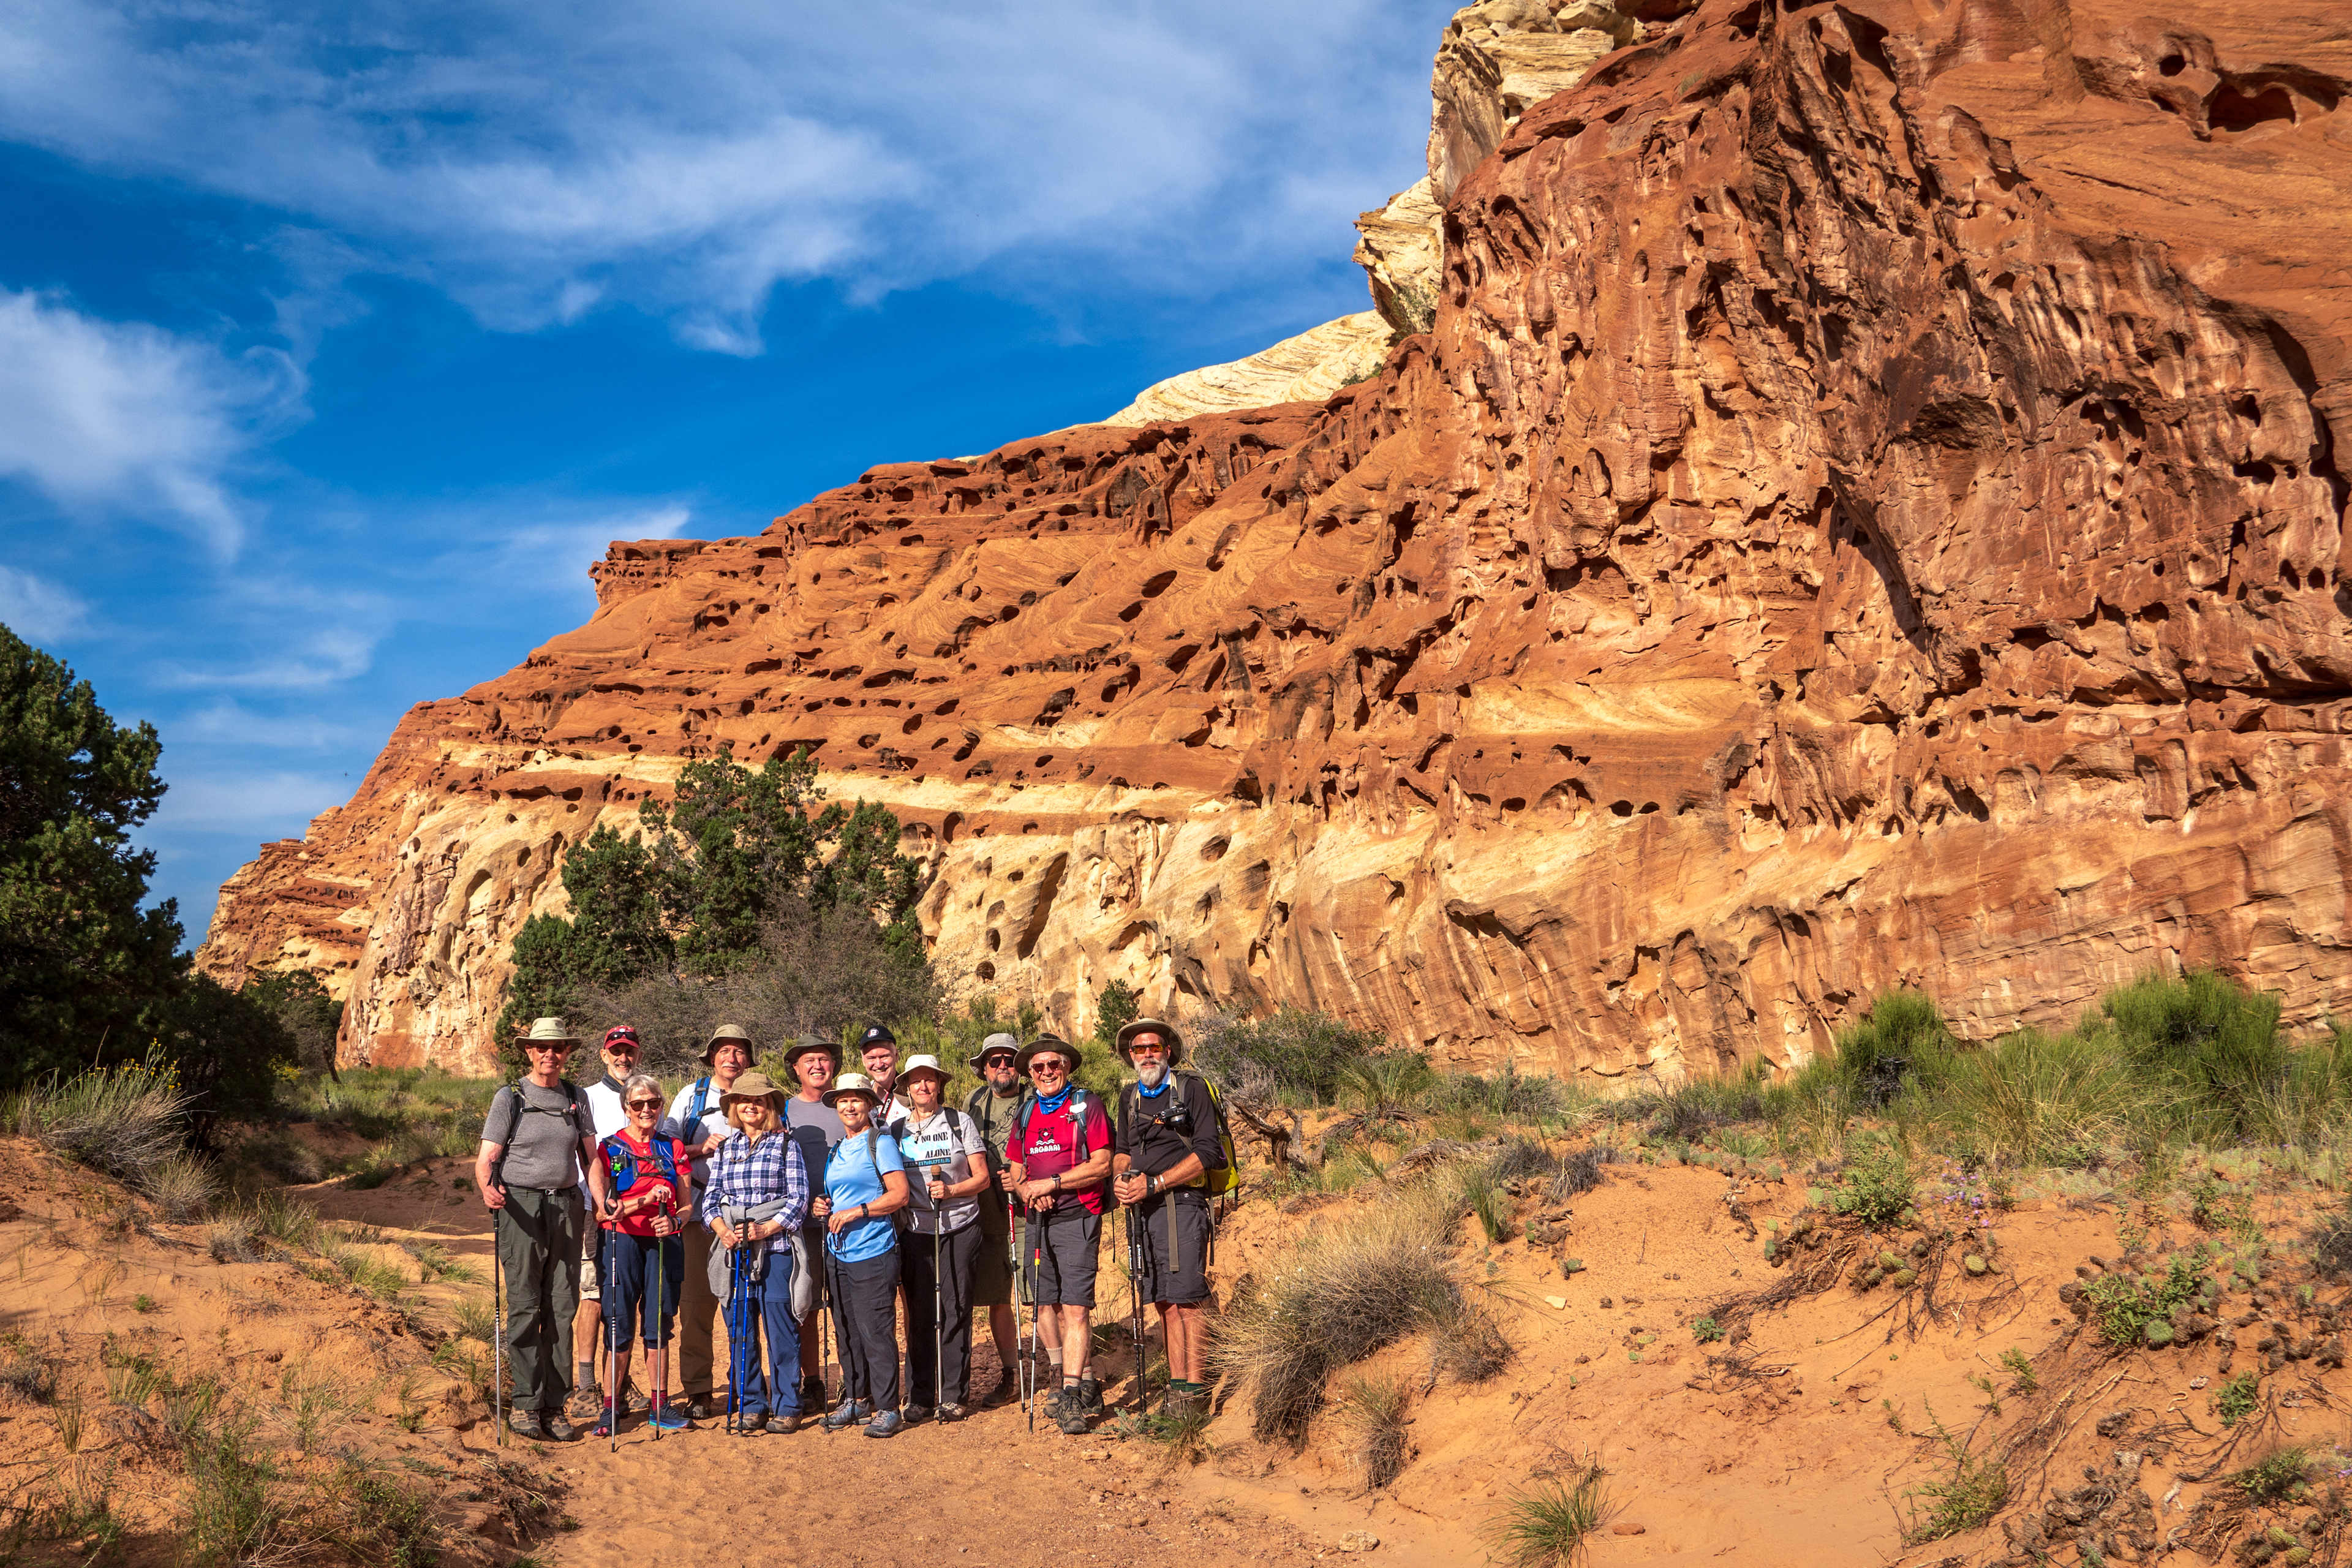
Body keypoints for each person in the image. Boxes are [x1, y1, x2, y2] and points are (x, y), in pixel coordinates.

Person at [475, 1017, 601, 1442]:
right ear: (529, 1051)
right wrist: (487, 1188)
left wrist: (601, 1201)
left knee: (562, 1305)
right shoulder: (510, 1096)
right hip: (521, 1205)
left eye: (558, 1048)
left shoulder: (576, 1097)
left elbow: (590, 1158)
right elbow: (488, 1157)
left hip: (566, 1205)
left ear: (567, 1053)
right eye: (542, 1047)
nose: (550, 1054)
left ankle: (554, 1404)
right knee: (526, 1303)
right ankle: (526, 1403)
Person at [1110, 1018, 1223, 1415]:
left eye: (1154, 1047)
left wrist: (1155, 1184)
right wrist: (1120, 1178)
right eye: (1139, 1049)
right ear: (1131, 1056)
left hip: (1181, 1205)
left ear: (1168, 1051)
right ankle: (1178, 1391)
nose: (1147, 1055)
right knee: (1163, 1302)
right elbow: (1122, 1150)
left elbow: (1208, 1152)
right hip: (1143, 1212)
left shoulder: (1191, 1088)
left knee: (1187, 1300)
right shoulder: (1129, 1097)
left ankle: (1196, 1392)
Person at [1005, 1035, 1113, 1434]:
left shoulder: (1087, 1105)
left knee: (1076, 1308)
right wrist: (1029, 1192)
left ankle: (1070, 1395)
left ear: (1067, 1066)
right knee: (1045, 1301)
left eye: (1055, 1064)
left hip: (1078, 1216)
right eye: (1039, 1067)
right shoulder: (1026, 1112)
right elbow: (1016, 1168)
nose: (1047, 1072)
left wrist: (1052, 1183)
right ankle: (1077, 1379)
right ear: (1030, 1073)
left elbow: (1101, 1164)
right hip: (1038, 1219)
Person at [702, 1070, 810, 1434]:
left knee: (781, 1329)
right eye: (745, 1101)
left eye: (759, 1101)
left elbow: (798, 1200)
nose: (752, 1107)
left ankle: (787, 1405)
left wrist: (764, 1229)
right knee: (740, 1329)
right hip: (734, 1252)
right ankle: (751, 1404)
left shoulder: (786, 1145)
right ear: (734, 1107)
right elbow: (710, 1201)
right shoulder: (726, 1149)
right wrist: (723, 1230)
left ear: (770, 1107)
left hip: (776, 1250)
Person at [587, 1073, 693, 1436]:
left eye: (654, 1103)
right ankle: (610, 1408)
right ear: (626, 1108)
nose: (646, 1110)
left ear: (661, 1106)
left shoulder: (673, 1147)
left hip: (664, 1243)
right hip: (622, 1242)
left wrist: (675, 1220)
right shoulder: (610, 1148)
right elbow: (604, 1212)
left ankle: (659, 1406)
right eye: (638, 1104)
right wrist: (644, 1200)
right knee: (619, 1324)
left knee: (659, 1324)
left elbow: (687, 1205)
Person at [891, 1054, 990, 1422]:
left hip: (959, 1226)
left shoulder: (959, 1122)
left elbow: (982, 1178)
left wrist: (952, 1191)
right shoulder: (896, 1131)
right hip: (916, 1230)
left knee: (954, 1308)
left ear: (939, 1085)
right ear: (906, 1087)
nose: (923, 1086)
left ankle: (953, 1395)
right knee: (919, 1313)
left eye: (929, 1079)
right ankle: (920, 1396)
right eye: (916, 1080)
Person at [811, 1072, 911, 1438]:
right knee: (847, 1329)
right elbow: (837, 1195)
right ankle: (857, 1399)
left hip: (873, 1249)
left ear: (869, 1104)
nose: (850, 1106)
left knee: (875, 1330)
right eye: (843, 1101)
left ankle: (888, 1407)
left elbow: (899, 1194)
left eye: (856, 1099)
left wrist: (858, 1212)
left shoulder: (879, 1143)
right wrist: (823, 1205)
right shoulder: (838, 1148)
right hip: (838, 1252)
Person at [661, 1023, 753, 1419]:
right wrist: (700, 1148)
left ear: (748, 1059)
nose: (732, 1058)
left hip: (746, 1220)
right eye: (724, 1051)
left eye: (739, 1051)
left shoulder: (760, 1095)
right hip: (699, 1216)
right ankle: (698, 1390)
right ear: (712, 1057)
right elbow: (665, 1148)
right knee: (697, 1307)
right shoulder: (691, 1096)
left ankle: (745, 1386)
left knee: (744, 1307)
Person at [570, 1023, 641, 1422]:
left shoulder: (644, 1095)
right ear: (603, 1055)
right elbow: (581, 1155)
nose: (623, 1058)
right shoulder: (588, 1098)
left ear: (638, 1054)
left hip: (635, 1212)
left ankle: (617, 1382)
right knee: (593, 1295)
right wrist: (598, 1201)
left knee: (625, 1296)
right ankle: (585, 1387)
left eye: (629, 1051)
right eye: (616, 1051)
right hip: (593, 1210)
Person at [961, 1032, 1027, 1405]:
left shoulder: (1035, 1099)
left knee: (1043, 1295)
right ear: (984, 1069)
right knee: (998, 1297)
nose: (1003, 1067)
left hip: (1028, 1210)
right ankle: (1011, 1374)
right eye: (995, 1061)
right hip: (987, 1213)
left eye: (1009, 1060)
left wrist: (1022, 1177)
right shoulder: (974, 1101)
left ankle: (1067, 1373)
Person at [781, 1035, 844, 1414]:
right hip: (800, 1226)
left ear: (833, 1066)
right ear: (796, 1069)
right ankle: (813, 1382)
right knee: (804, 1307)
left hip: (846, 1223)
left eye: (824, 1059)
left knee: (847, 1305)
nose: (817, 1066)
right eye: (809, 1061)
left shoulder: (848, 1104)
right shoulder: (784, 1111)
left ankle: (855, 1379)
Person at [859, 1024, 911, 1123]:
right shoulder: (862, 1095)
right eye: (871, 1058)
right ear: (863, 1061)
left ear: (896, 1056)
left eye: (884, 1057)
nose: (879, 1064)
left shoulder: (912, 1094)